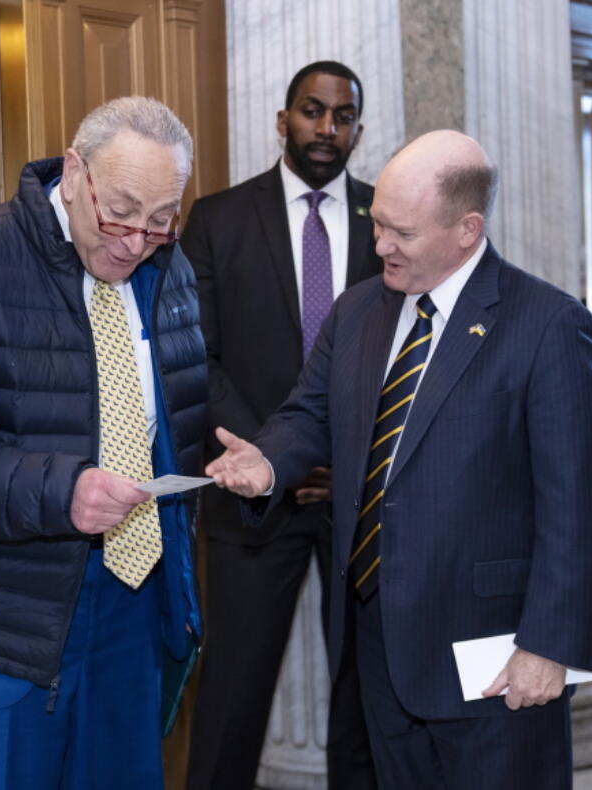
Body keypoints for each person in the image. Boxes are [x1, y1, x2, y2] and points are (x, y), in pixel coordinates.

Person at [205, 130, 592, 789]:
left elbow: (582, 509)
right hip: (377, 642)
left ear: (466, 228)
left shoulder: (548, 326)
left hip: (495, 650)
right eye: (378, 226)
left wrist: (550, 646)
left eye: (402, 232)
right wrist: (269, 462)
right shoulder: (360, 310)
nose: (380, 246)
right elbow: (309, 412)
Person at [0, 96, 207, 790]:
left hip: (131, 606)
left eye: (160, 221)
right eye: (118, 211)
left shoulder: (171, 271)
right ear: (76, 168)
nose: (133, 242)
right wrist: (63, 491)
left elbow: (167, 418)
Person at [182, 60, 379, 790]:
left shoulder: (383, 221)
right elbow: (196, 357)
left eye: (343, 115)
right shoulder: (220, 218)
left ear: (358, 126)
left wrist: (344, 456)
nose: (328, 128)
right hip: (249, 498)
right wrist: (277, 456)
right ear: (283, 120)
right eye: (312, 110)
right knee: (233, 698)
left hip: (357, 501)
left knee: (365, 696)